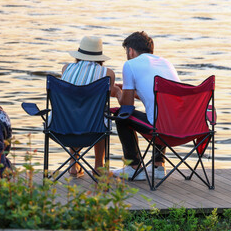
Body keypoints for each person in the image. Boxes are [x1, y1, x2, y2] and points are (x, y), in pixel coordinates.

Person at [111, 31, 180, 180]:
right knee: (161, 111)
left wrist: (117, 91)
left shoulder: (130, 64)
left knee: (121, 115)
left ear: (130, 51)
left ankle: (134, 167)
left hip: (160, 129)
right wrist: (131, 91)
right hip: (181, 127)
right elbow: (156, 96)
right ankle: (158, 165)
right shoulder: (166, 63)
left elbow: (127, 105)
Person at [61, 36, 116, 177]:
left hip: (63, 125)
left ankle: (74, 164)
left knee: (73, 110)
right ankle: (99, 166)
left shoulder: (66, 68)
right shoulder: (107, 73)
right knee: (101, 114)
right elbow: (105, 97)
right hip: (94, 128)